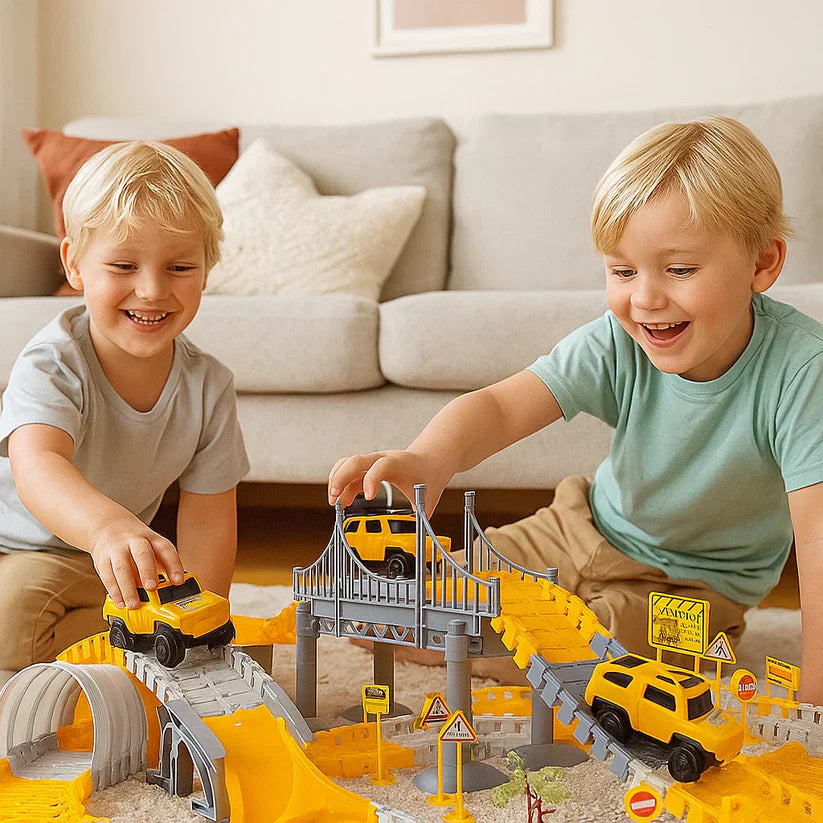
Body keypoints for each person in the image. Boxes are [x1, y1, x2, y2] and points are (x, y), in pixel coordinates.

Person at [328, 116, 823, 705]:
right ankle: (481, 635)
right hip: (575, 529)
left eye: (680, 270)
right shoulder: (619, 340)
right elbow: (500, 407)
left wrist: (815, 694)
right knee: (377, 605)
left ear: (762, 264)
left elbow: (816, 537)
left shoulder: (802, 371)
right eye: (623, 271)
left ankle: (492, 643)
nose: (645, 298)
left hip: (692, 589)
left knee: (595, 662)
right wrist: (428, 459)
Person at [0, 141, 249, 684]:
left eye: (179, 266)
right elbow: (37, 464)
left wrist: (199, 628)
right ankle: (116, 652)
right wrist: (106, 526)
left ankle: (123, 649)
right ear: (74, 264)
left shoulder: (208, 385)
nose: (152, 290)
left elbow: (209, 518)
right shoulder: (53, 362)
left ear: (207, 270)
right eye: (123, 265)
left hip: (113, 558)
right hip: (20, 549)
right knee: (12, 616)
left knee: (168, 620)